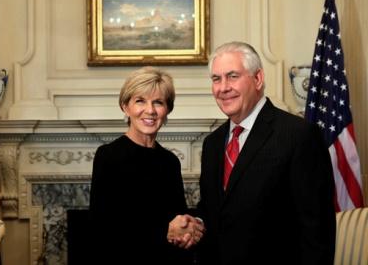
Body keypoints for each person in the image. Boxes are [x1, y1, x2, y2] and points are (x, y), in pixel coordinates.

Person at [178, 41, 336, 264]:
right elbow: (215, 211)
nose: (223, 88)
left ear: (258, 79)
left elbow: (317, 231)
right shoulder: (213, 144)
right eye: (216, 79)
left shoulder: (298, 135)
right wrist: (195, 223)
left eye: (232, 76)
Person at [89, 66, 203, 264]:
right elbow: (104, 228)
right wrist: (164, 231)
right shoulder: (108, 156)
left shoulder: (170, 161)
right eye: (140, 101)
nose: (150, 110)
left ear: (167, 110)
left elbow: (178, 219)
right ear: (125, 107)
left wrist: (189, 229)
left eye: (158, 102)